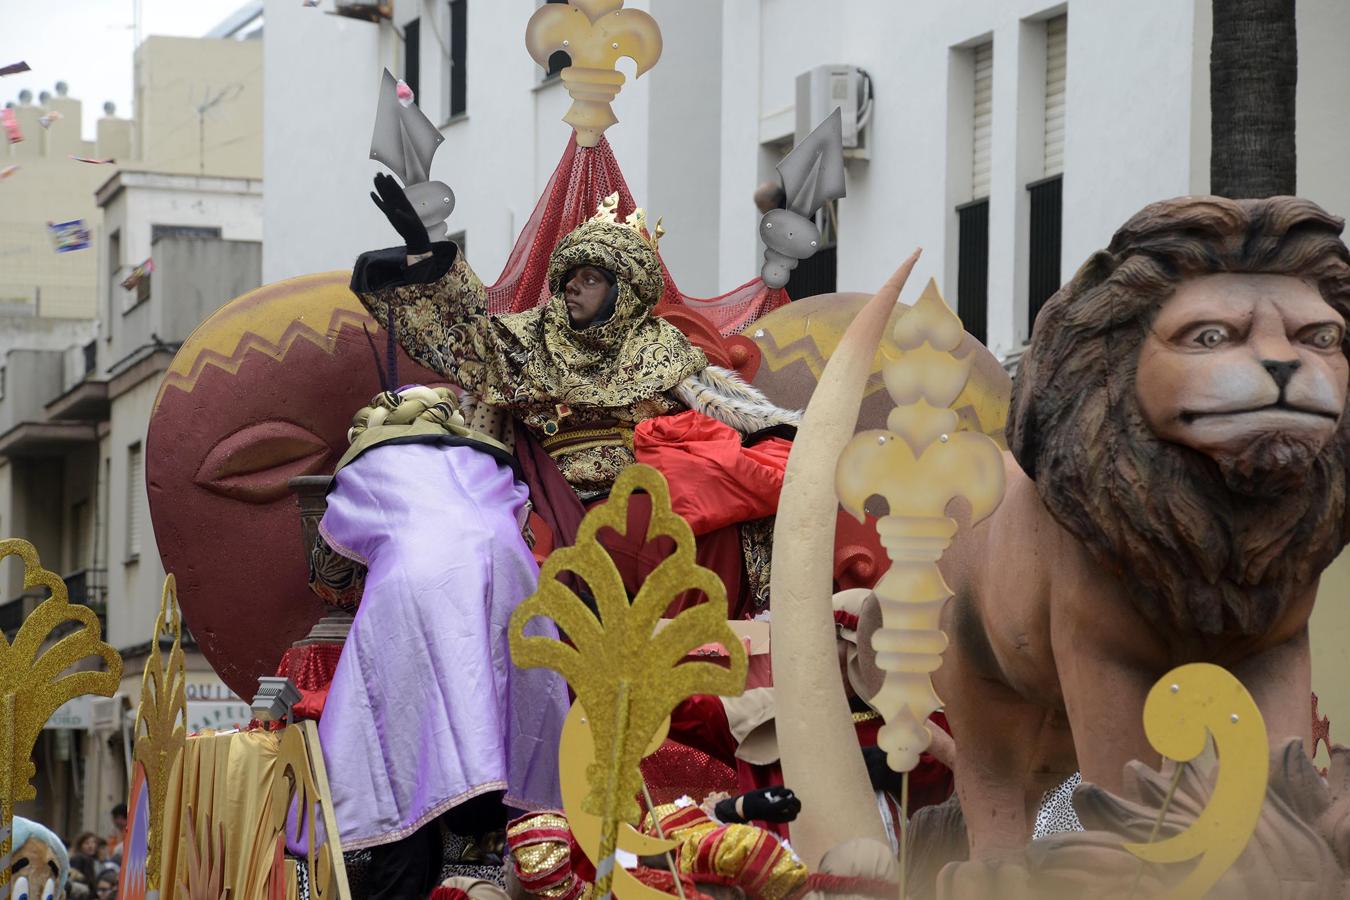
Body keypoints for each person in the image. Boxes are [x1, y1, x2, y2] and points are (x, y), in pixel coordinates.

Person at [355, 177, 800, 616]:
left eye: (590, 278)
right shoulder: (529, 340)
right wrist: (424, 256)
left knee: (714, 514)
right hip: (553, 501)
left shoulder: (660, 347)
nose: (571, 286)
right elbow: (463, 334)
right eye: (569, 276)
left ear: (621, 292)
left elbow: (730, 420)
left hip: (646, 498)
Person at [316, 387, 569, 900]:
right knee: (504, 728)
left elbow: (328, 572)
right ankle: (525, 867)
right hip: (509, 592)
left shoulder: (371, 464)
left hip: (416, 594)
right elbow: (518, 528)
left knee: (405, 755)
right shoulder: (484, 459)